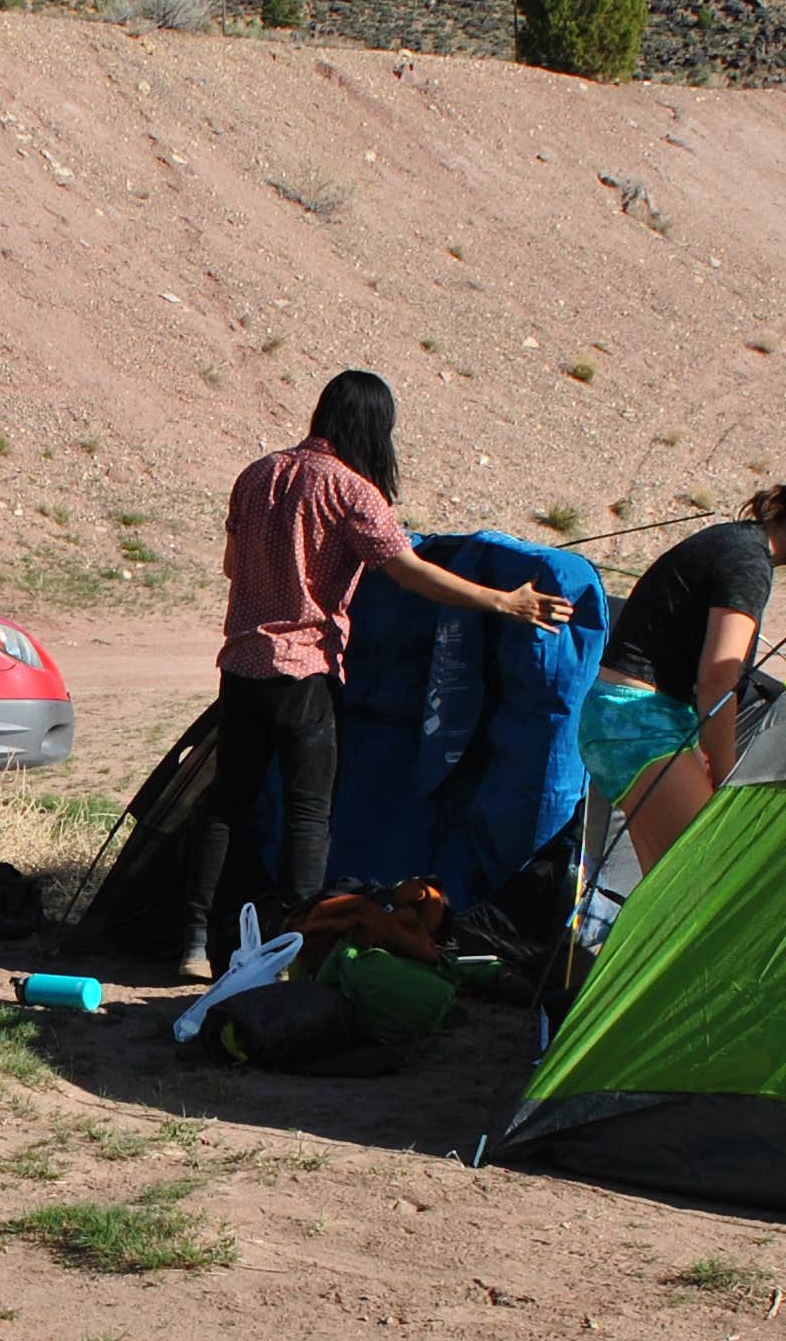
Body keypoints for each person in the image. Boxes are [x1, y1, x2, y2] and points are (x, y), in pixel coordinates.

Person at [178, 370, 574, 979]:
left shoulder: (257, 474)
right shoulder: (351, 490)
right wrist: (504, 602)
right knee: (309, 814)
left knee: (227, 805)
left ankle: (195, 943)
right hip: (304, 672)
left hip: (240, 668)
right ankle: (299, 950)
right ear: (372, 427)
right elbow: (410, 573)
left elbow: (234, 565)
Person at [577, 484, 786, 873]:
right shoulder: (749, 562)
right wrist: (726, 782)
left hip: (626, 720)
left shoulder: (736, 544)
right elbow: (717, 679)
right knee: (703, 879)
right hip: (640, 723)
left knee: (661, 895)